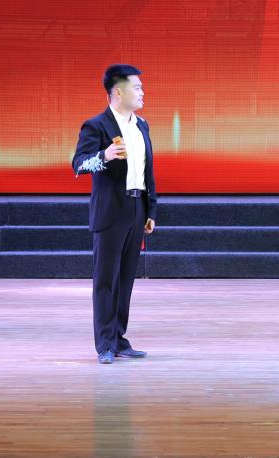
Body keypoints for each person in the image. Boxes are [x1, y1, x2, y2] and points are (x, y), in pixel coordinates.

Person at [72, 64, 157, 364]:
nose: (142, 92)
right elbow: (78, 164)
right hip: (111, 211)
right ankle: (105, 344)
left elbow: (147, 171)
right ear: (118, 92)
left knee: (125, 279)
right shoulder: (96, 126)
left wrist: (151, 209)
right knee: (106, 279)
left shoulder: (141, 126)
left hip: (136, 208)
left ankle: (119, 338)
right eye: (137, 87)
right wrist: (103, 155)